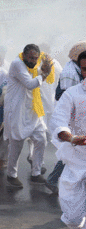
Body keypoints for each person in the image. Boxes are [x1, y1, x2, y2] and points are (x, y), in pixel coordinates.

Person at [49, 50, 86, 229]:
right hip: (76, 163)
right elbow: (58, 123)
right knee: (73, 218)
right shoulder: (73, 94)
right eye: (85, 69)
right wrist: (72, 138)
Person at [4, 44, 53, 188]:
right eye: (31, 57)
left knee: (41, 139)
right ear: (24, 55)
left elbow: (37, 75)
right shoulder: (17, 64)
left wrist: (43, 71)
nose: (33, 60)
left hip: (32, 110)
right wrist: (43, 74)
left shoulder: (33, 66)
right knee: (16, 145)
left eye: (35, 58)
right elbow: (30, 83)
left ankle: (36, 173)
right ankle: (11, 175)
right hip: (17, 112)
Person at [46, 41, 86, 194]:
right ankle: (53, 179)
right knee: (72, 151)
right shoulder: (70, 72)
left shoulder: (75, 68)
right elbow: (70, 95)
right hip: (72, 116)